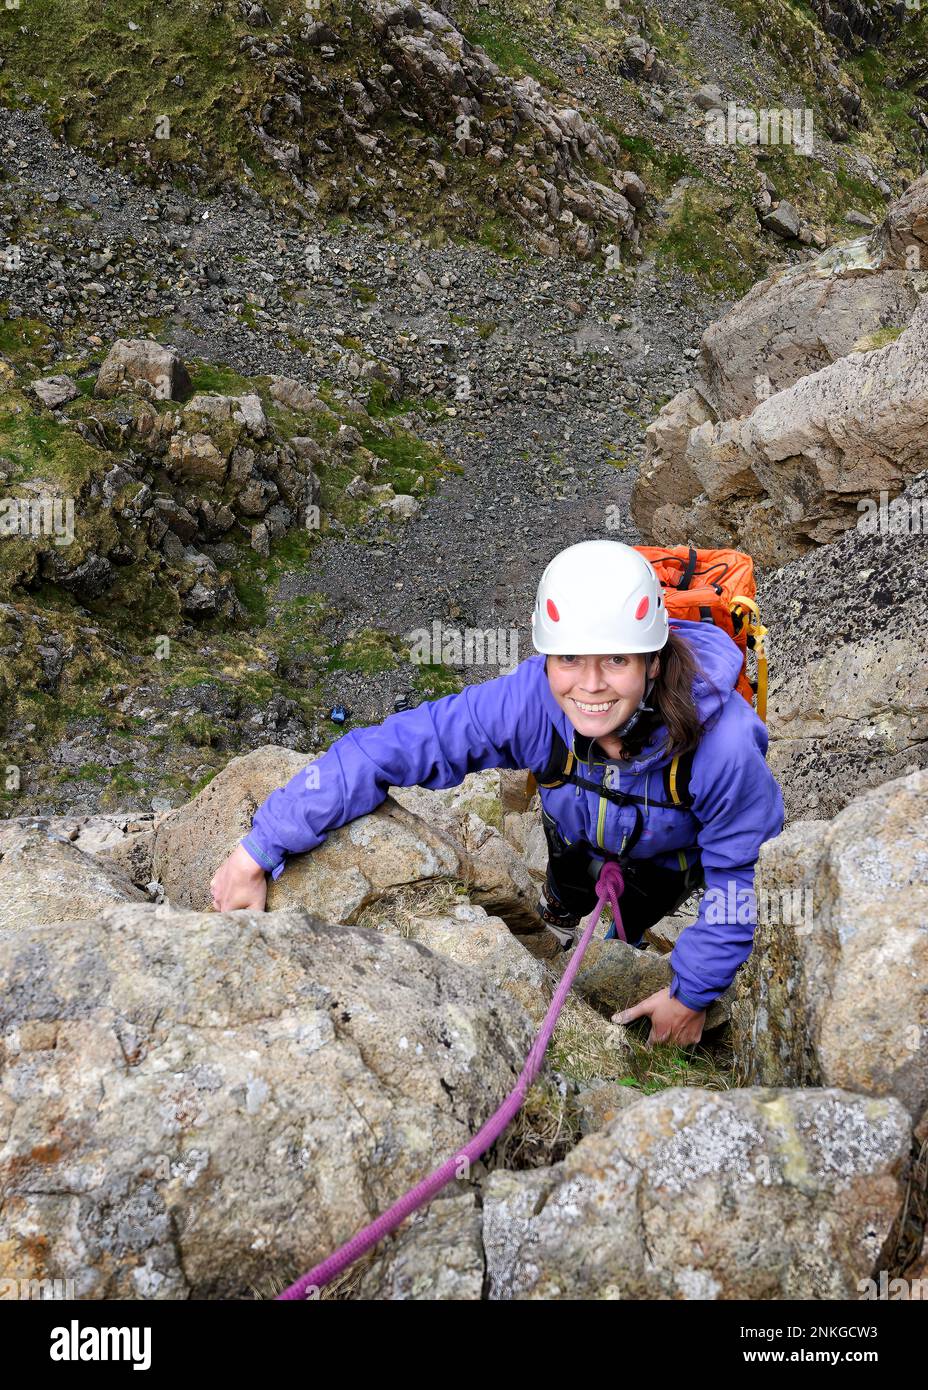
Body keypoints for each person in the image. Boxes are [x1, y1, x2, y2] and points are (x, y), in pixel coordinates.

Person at [210, 540, 785, 1046]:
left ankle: (623, 937)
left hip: (670, 863)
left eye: (615, 659)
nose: (589, 685)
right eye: (568, 659)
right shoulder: (530, 704)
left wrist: (691, 994)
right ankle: (564, 915)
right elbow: (385, 748)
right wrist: (262, 845)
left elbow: (742, 877)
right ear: (546, 658)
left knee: (629, 926)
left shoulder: (723, 745)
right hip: (577, 842)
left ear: (653, 662)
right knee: (566, 893)